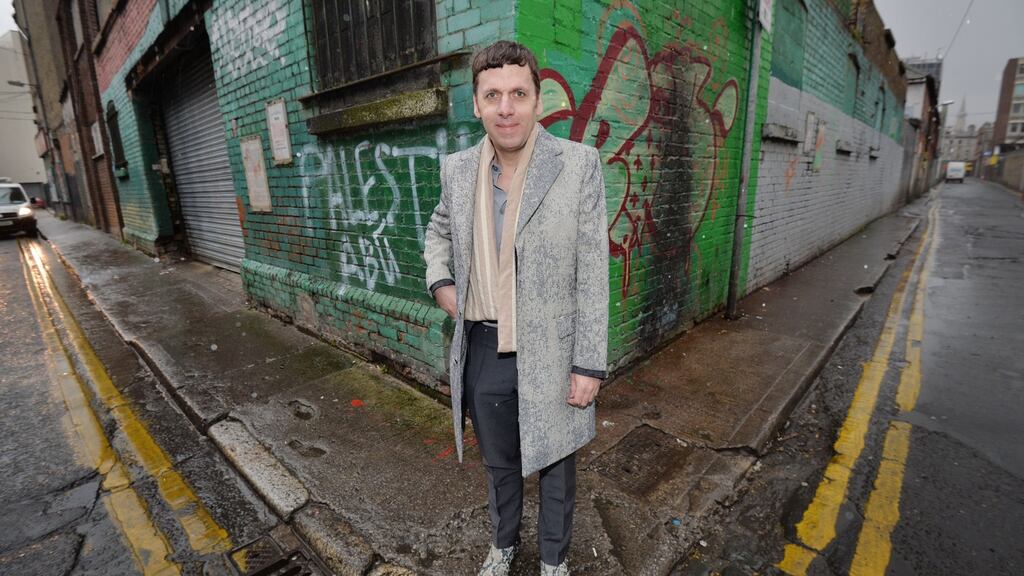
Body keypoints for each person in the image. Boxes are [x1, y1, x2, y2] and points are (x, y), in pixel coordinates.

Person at [423, 40, 609, 576]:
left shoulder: (578, 166)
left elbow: (595, 270)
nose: (507, 107)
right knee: (499, 462)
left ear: (537, 100)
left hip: (553, 345)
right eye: (493, 95)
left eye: (518, 94)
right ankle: (503, 545)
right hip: (483, 342)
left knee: (555, 464)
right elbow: (437, 231)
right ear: (476, 104)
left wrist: (588, 364)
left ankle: (553, 560)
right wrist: (441, 282)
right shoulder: (457, 171)